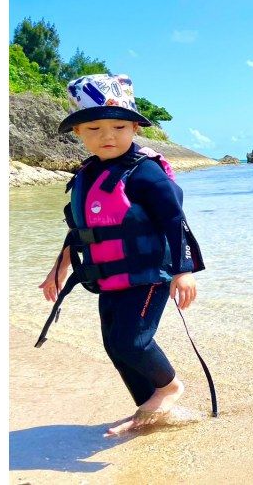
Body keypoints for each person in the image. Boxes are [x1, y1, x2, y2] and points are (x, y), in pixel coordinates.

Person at [35, 73, 206, 437]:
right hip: (110, 278)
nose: (107, 135)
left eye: (118, 126)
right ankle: (153, 410)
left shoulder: (143, 172)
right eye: (94, 128)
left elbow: (175, 219)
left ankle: (170, 387)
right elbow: (79, 232)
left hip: (147, 276)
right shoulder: (87, 174)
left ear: (133, 128)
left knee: (134, 341)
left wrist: (183, 270)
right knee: (115, 346)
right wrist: (58, 270)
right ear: (79, 134)